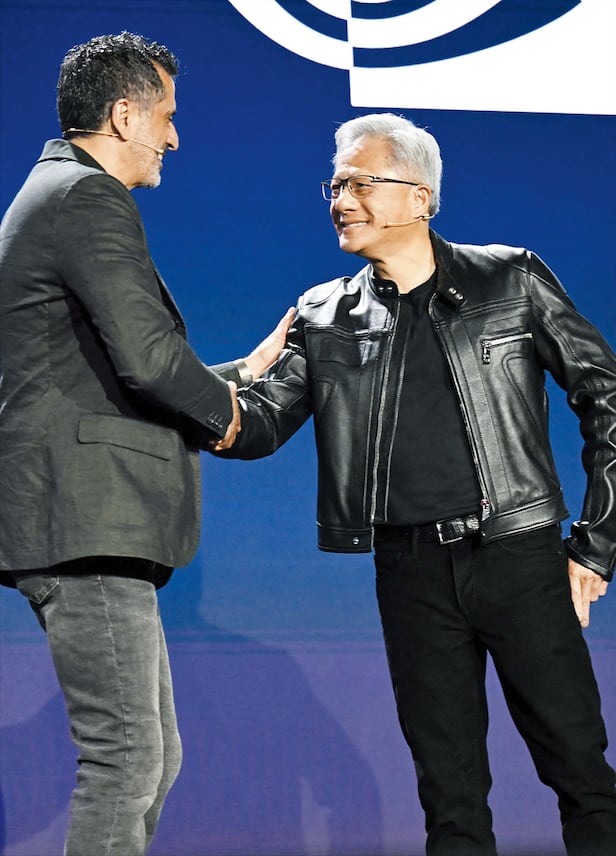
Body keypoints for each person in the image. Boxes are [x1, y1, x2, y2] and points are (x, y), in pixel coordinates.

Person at [218, 113, 616, 855]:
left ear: (420, 198)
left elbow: (608, 395)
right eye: (335, 186)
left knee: (582, 776)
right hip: (410, 573)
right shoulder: (323, 314)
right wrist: (171, 389)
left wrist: (596, 546)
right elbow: (259, 425)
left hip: (518, 558)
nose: (342, 200)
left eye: (361, 183)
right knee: (450, 801)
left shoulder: (511, 279)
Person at [0, 32, 291, 856]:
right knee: (127, 762)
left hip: (87, 521)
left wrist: (244, 371)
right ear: (125, 115)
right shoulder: (85, 198)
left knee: (152, 762)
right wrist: (229, 415)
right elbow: (149, 361)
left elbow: (108, 369)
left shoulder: (59, 193)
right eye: (166, 117)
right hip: (83, 521)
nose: (174, 137)